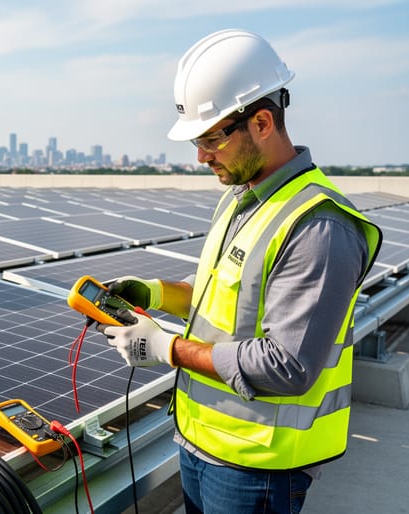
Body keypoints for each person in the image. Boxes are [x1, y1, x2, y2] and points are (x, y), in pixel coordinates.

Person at [98, 29, 382, 513]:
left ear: (263, 122)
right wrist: (153, 293)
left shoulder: (319, 227)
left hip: (257, 468)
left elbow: (288, 365)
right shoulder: (242, 199)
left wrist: (166, 348)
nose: (201, 156)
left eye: (212, 138)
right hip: (200, 442)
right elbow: (225, 299)